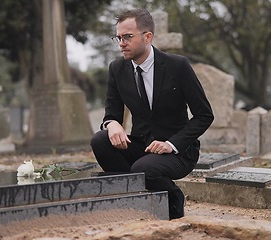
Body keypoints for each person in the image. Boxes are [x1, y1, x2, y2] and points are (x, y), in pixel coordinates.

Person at [90, 8, 213, 220]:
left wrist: (171, 144)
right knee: (100, 140)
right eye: (118, 37)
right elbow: (111, 112)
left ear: (147, 37)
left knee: (144, 168)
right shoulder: (117, 69)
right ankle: (135, 198)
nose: (121, 43)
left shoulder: (178, 66)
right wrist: (112, 124)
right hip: (141, 144)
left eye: (127, 37)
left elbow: (204, 115)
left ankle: (173, 197)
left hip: (178, 151)